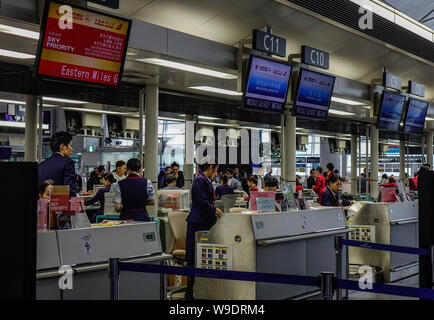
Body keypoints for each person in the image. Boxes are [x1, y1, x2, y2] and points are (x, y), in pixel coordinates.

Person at [185, 159, 223, 300]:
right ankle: (190, 294)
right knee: (194, 259)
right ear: (211, 167)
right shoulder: (199, 180)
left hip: (204, 221)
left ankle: (200, 292)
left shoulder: (203, 179)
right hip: (198, 223)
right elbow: (202, 202)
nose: (216, 173)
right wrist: (216, 211)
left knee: (202, 258)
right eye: (216, 170)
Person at [38, 131, 77, 197]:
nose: (72, 149)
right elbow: (69, 190)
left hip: (42, 205)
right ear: (62, 146)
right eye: (70, 145)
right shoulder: (67, 162)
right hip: (60, 205)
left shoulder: (41, 165)